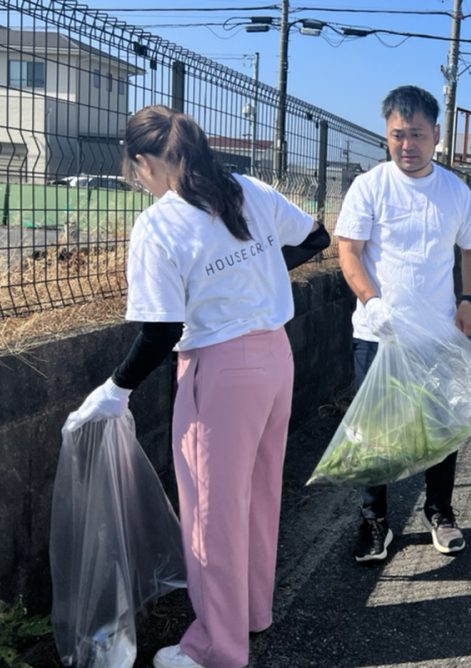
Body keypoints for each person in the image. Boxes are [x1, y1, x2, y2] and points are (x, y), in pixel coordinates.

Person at [65, 105, 327, 668]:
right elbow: (318, 235)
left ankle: (217, 648)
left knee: (213, 515)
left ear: (144, 163)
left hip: (221, 370)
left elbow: (159, 330)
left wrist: (115, 388)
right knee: (258, 498)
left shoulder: (160, 222)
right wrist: (262, 271)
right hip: (276, 357)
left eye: (137, 169)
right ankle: (251, 615)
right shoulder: (247, 189)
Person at [335, 85, 471, 563]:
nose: (407, 145)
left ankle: (439, 512)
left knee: (442, 425)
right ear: (387, 134)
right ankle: (374, 521)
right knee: (374, 431)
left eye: (417, 134)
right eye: (398, 135)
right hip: (378, 333)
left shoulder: (454, 190)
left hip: (438, 331)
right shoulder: (370, 186)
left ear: (436, 135)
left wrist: (468, 300)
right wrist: (371, 300)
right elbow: (348, 251)